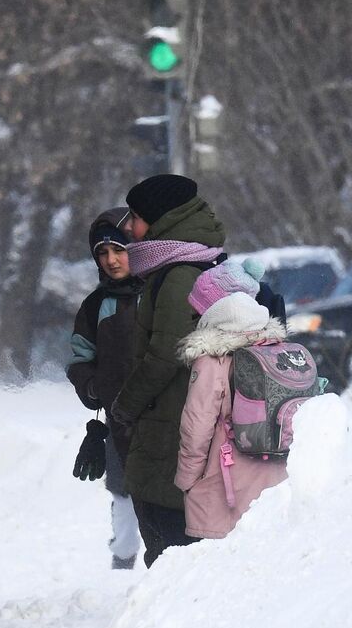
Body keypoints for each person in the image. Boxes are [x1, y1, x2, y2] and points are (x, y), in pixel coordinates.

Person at [110, 173, 227, 565]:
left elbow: (166, 353)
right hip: (181, 423)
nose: (127, 227)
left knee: (170, 556)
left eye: (136, 217)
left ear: (161, 220)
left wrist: (124, 406)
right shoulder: (198, 259)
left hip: (172, 429)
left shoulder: (178, 275)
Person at [175, 261, 292, 540]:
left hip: (227, 483)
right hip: (278, 478)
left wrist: (187, 479)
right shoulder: (277, 347)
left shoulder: (211, 359)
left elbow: (197, 426)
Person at [66, 207, 142, 570]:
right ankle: (122, 563)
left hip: (168, 419)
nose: (111, 260)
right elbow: (81, 357)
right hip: (118, 420)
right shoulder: (96, 306)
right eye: (103, 253)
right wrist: (94, 388)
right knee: (122, 493)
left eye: (119, 249)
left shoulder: (161, 294)